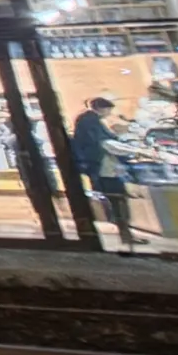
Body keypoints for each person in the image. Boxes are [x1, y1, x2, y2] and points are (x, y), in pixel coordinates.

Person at [72, 97, 138, 247]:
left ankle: (125, 234)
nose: (110, 113)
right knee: (118, 200)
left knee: (115, 201)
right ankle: (125, 234)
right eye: (109, 110)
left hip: (100, 167)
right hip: (104, 168)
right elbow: (106, 144)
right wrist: (136, 150)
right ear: (102, 108)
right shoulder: (90, 121)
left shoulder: (87, 120)